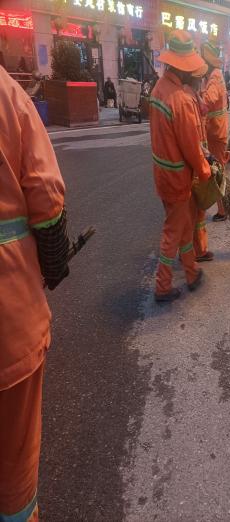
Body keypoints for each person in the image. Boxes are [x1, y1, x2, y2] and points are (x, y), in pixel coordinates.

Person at [0, 65, 69, 521]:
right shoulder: (7, 96)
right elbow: (46, 198)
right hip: (9, 322)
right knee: (14, 463)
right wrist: (54, 263)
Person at [149, 30, 211, 303]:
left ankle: (191, 272)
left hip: (163, 173)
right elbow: (190, 147)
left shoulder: (158, 89)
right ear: (182, 67)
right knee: (173, 232)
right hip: (177, 177)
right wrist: (205, 170)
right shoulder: (181, 100)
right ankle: (162, 285)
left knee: (184, 226)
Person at [184, 62, 215, 263]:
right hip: (194, 162)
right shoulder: (186, 100)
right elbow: (190, 137)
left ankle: (199, 249)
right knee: (191, 211)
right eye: (201, 78)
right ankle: (190, 253)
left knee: (198, 209)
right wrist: (204, 158)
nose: (203, 81)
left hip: (199, 158)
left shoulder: (193, 97)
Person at [201, 42, 229, 222]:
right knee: (218, 169)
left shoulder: (214, 77)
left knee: (218, 171)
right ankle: (222, 207)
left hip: (216, 131)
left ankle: (223, 210)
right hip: (216, 131)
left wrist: (195, 99)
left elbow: (209, 100)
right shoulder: (214, 75)